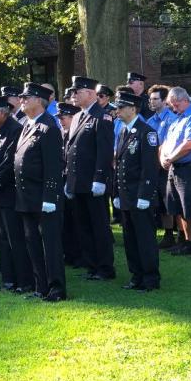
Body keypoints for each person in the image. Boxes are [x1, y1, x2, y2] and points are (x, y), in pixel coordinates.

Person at [14, 82, 66, 301]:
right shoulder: (27, 124)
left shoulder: (49, 127)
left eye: (27, 97)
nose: (22, 100)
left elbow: (54, 166)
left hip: (44, 197)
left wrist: (50, 197)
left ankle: (56, 289)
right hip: (26, 196)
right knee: (32, 242)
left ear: (39, 101)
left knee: (50, 244)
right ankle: (40, 285)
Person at [0, 96, 34, 292]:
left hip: (10, 194)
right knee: (3, 239)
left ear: (3, 112)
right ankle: (9, 280)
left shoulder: (15, 130)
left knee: (16, 239)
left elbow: (10, 164)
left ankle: (24, 281)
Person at [65, 76, 116, 281]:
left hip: (93, 182)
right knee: (83, 225)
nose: (73, 96)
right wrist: (69, 180)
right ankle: (91, 264)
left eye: (77, 92)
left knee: (99, 226)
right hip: (78, 181)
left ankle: (105, 267)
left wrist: (100, 179)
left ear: (90, 93)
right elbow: (71, 150)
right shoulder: (78, 117)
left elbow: (104, 151)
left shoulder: (101, 117)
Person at [112, 91, 161, 291]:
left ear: (133, 108)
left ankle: (150, 278)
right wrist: (116, 193)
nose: (117, 111)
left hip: (140, 195)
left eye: (121, 107)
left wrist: (145, 195)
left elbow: (149, 168)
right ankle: (136, 275)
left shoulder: (146, 132)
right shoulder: (124, 131)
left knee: (145, 238)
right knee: (130, 239)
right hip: (126, 195)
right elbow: (119, 165)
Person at [160, 88, 191, 257]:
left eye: (176, 104)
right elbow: (165, 142)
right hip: (174, 168)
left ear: (185, 99)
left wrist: (171, 158)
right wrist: (164, 158)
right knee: (178, 208)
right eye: (172, 105)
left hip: (189, 168)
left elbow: (190, 143)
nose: (174, 108)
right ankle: (187, 241)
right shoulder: (177, 118)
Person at [146, 84, 176, 249]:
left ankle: (179, 235)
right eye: (150, 99)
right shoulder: (150, 121)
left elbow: (167, 144)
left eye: (156, 99)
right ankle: (168, 234)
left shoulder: (171, 119)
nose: (152, 102)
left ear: (165, 101)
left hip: (167, 166)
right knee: (160, 202)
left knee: (169, 201)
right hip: (153, 168)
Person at [56, 102, 82, 267]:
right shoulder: (61, 134)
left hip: (74, 182)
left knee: (76, 221)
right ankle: (69, 254)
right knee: (65, 221)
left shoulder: (77, 135)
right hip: (62, 180)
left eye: (63, 118)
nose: (61, 121)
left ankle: (79, 255)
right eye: (59, 118)